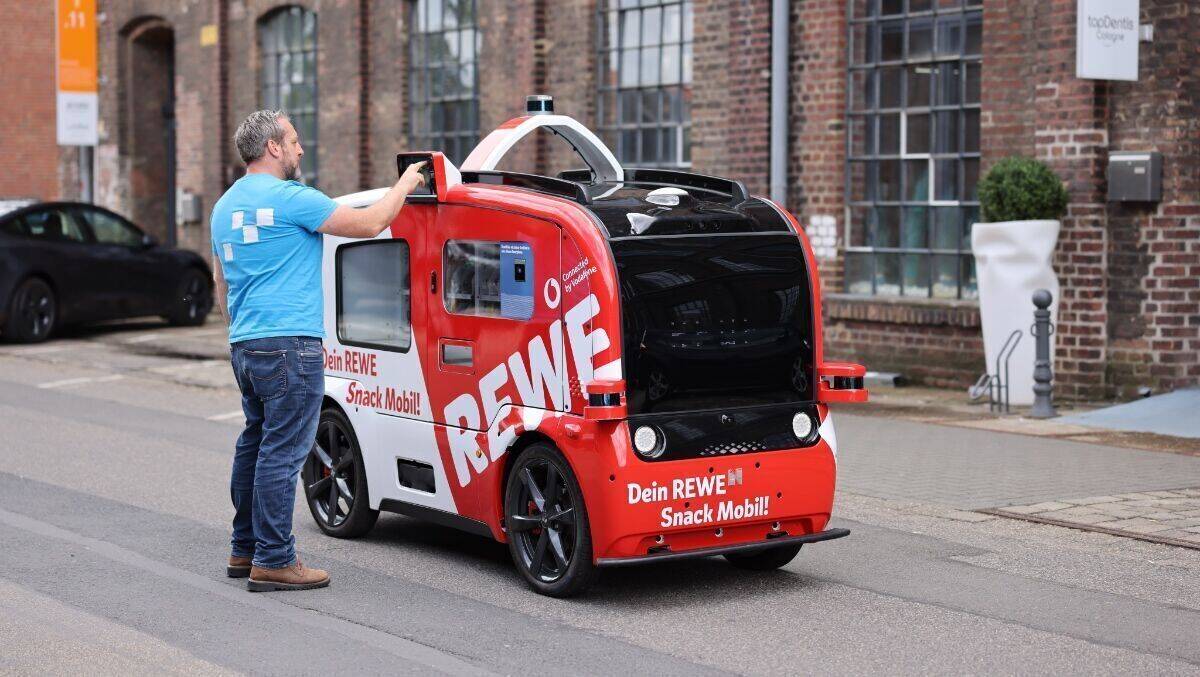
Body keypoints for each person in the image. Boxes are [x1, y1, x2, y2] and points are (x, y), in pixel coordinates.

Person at [211, 109, 426, 591]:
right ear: (272, 148)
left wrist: (241, 330)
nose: (300, 149)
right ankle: (273, 559)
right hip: (291, 345)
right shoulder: (293, 200)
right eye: (293, 140)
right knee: (283, 454)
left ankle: (243, 549)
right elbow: (371, 224)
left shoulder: (223, 208)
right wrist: (406, 184)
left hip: (246, 345)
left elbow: (220, 284)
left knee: (256, 443)